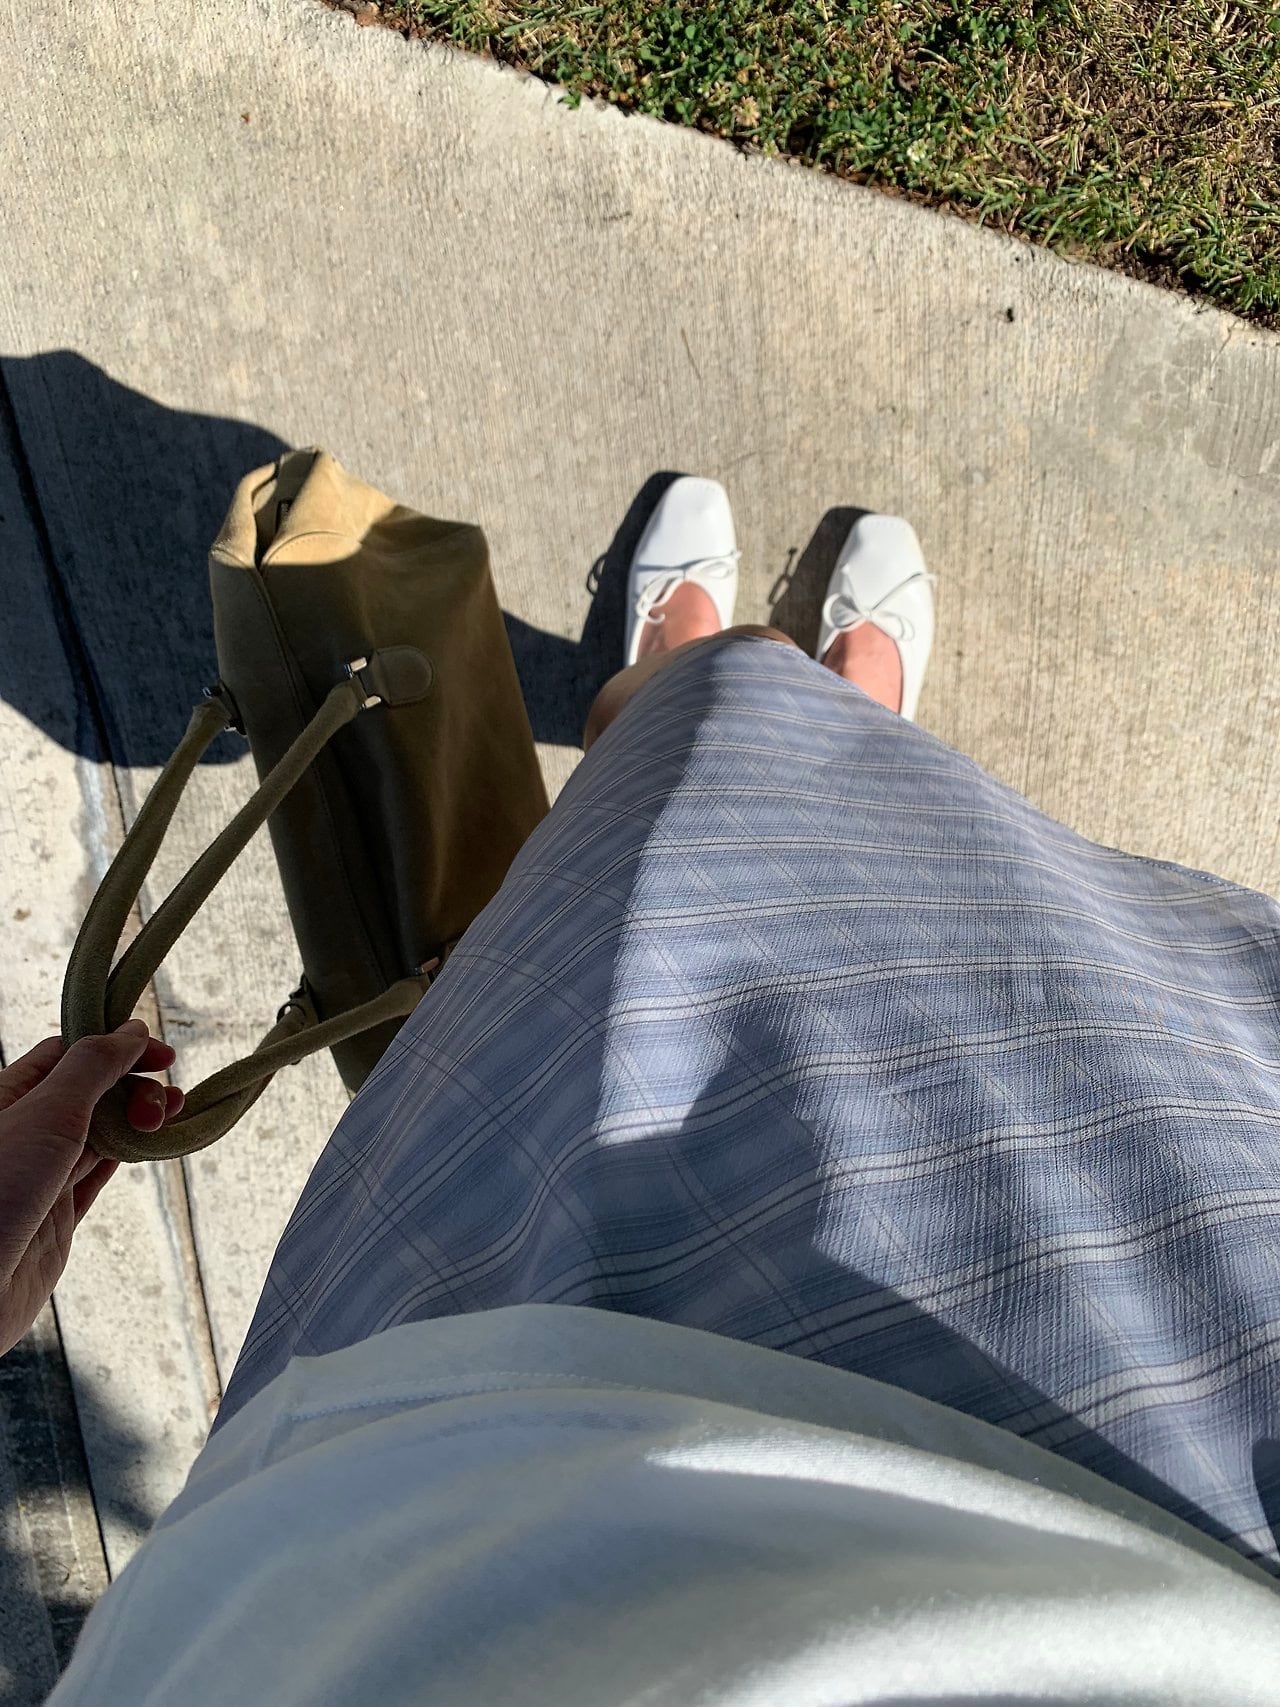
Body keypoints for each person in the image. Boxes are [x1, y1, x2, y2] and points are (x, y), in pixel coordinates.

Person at [7, 478, 1280, 1702]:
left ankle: (711, 697)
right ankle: (833, 722)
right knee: (909, 881)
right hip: (1189, 1469)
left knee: (673, 821)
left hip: (401, 1504)